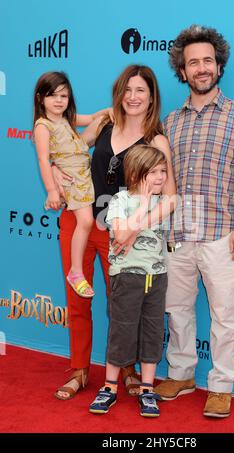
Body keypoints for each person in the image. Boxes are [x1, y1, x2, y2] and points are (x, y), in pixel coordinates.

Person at [154, 25, 234, 418]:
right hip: (177, 235)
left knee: (225, 315)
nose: (201, 68)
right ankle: (181, 373)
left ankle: (220, 385)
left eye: (207, 61)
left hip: (222, 235)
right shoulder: (171, 120)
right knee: (177, 309)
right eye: (192, 62)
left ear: (219, 66)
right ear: (182, 71)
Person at [52, 65, 176, 400]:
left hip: (121, 235)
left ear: (152, 98)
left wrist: (134, 227)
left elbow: (171, 198)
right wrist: (55, 171)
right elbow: (70, 152)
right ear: (119, 93)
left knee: (123, 306)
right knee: (77, 300)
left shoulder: (157, 140)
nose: (133, 97)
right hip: (79, 223)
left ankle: (127, 370)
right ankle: (79, 370)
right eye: (128, 90)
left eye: (141, 91)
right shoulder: (105, 123)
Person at [89, 144, 169, 418]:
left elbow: (136, 232)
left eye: (163, 171)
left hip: (157, 278)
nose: (160, 177)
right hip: (126, 278)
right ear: (135, 173)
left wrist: (144, 215)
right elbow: (121, 236)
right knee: (121, 331)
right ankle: (110, 387)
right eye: (153, 172)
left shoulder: (166, 202)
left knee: (152, 332)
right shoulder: (119, 201)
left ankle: (147, 388)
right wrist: (144, 205)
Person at [34, 72, 99, 298]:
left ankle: (76, 271)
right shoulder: (43, 125)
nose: (59, 100)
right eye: (53, 96)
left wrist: (111, 112)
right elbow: (43, 159)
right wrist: (52, 189)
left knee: (86, 221)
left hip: (83, 176)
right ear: (41, 98)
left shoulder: (66, 119)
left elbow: (92, 119)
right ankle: (76, 271)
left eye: (64, 96)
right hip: (71, 180)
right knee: (86, 222)